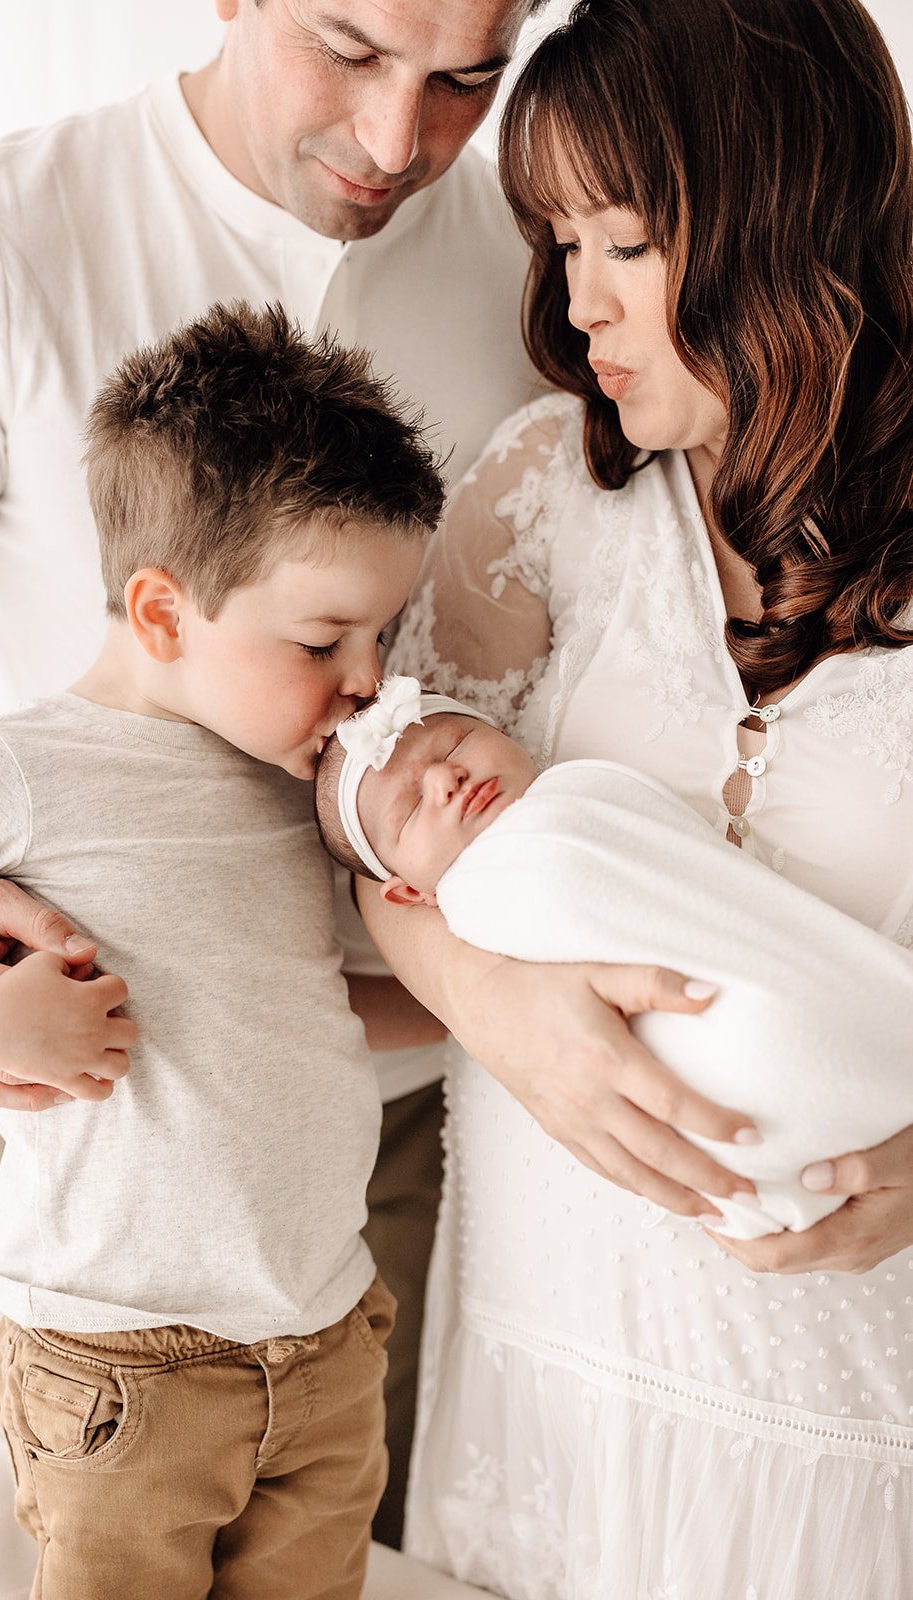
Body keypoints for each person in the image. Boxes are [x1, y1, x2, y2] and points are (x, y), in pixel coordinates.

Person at [0, 0, 555, 1546]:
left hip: (426, 1118)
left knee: (376, 1546)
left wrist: (517, 989)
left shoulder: (539, 255)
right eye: (350, 50)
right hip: (98, 1114)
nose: (396, 143)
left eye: (462, 79)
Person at [355, 0, 913, 1591]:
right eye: (554, 244)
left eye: (621, 243)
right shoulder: (545, 491)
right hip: (551, 1375)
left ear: (776, 221)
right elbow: (368, 819)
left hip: (842, 1410)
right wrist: (485, 995)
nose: (575, 305)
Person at [0, 302, 445, 1600]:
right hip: (124, 1367)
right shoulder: (11, 769)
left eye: (381, 638)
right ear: (162, 614)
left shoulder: (297, 787)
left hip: (324, 1340)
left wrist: (471, 1004)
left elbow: (297, 1008)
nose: (367, 681)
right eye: (322, 640)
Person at [318, 675, 913, 1239]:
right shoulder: (472, 902)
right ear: (409, 894)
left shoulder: (582, 794)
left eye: (457, 742)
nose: (446, 778)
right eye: (411, 808)